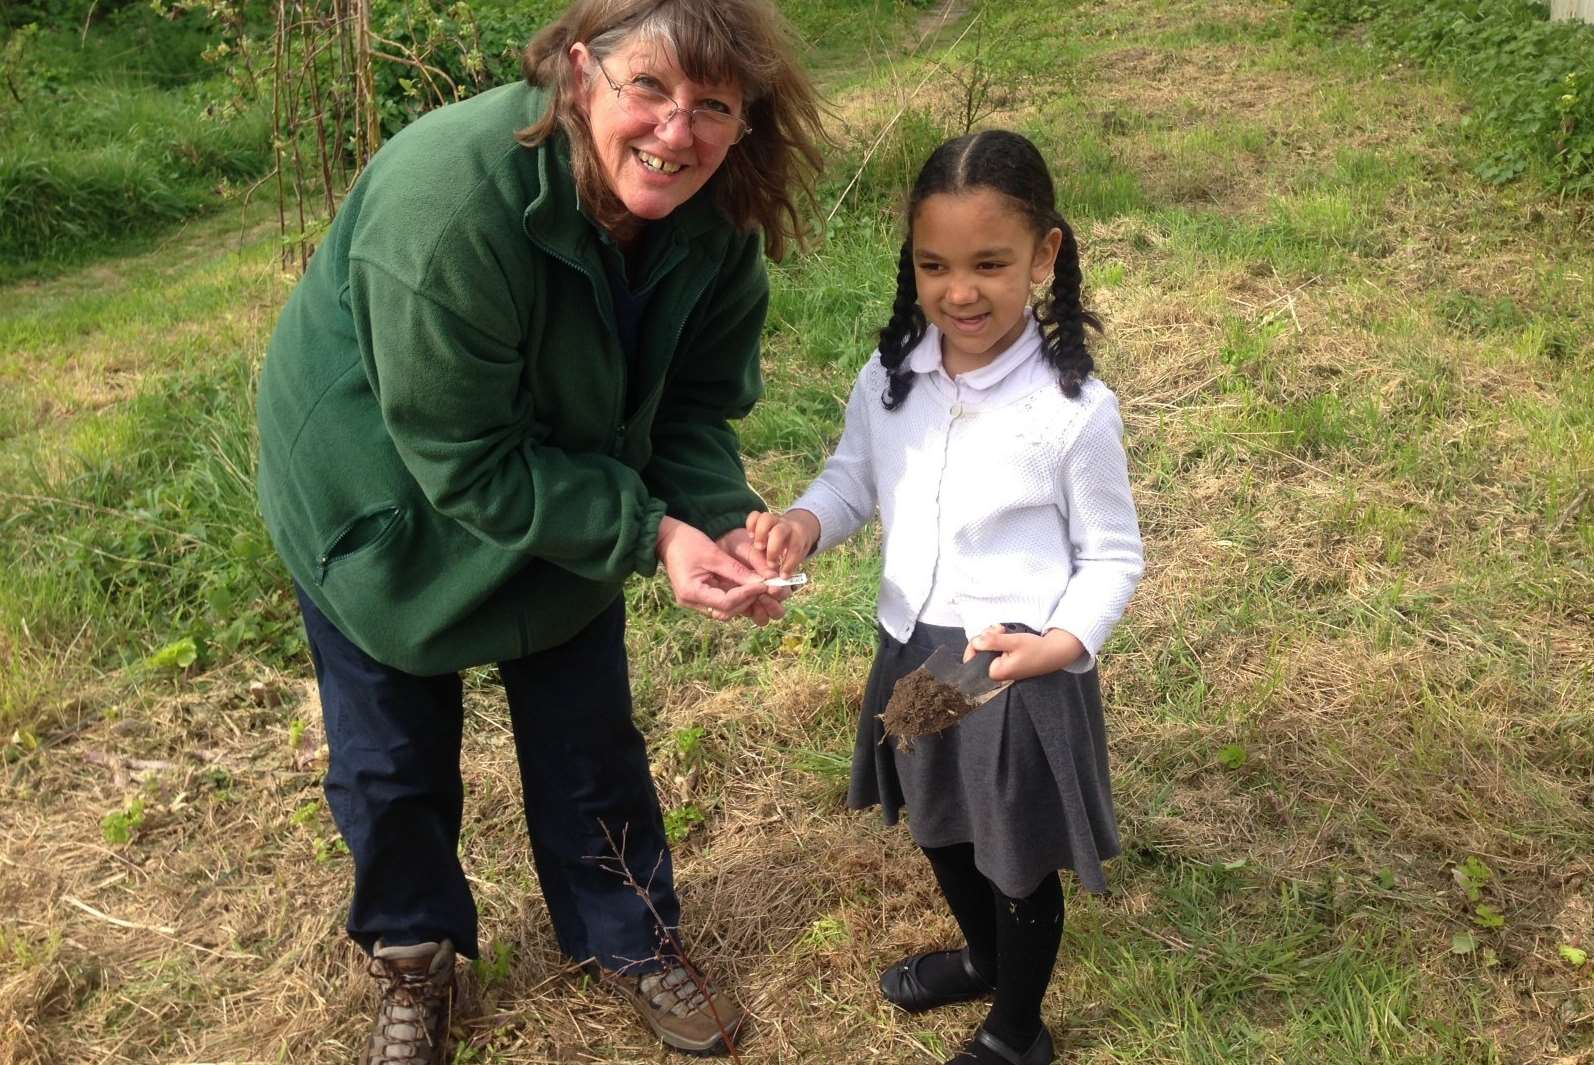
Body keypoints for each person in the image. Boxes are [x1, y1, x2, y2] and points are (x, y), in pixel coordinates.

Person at [253, 0, 825, 1059]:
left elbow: (691, 404)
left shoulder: (717, 217)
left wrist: (709, 520)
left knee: (587, 734)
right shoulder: (448, 201)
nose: (674, 131)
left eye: (712, 106)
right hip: (381, 490)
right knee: (391, 755)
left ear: (746, 122)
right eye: (646, 88)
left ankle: (632, 937)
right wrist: (648, 533)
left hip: (564, 466)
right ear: (579, 75)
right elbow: (463, 458)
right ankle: (413, 960)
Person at [746, 130, 1143, 1065]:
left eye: (990, 264)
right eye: (935, 265)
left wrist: (1063, 642)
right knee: (937, 824)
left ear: (1045, 255)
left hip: (1012, 666)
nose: (960, 291)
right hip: (910, 644)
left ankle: (1019, 1025)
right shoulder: (889, 380)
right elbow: (852, 480)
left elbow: (1114, 556)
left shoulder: (1072, 411)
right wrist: (806, 521)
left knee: (1015, 854)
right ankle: (981, 958)